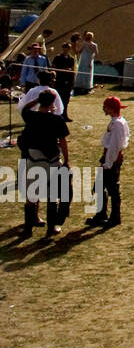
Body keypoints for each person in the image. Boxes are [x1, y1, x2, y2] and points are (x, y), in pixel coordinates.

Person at [19, 89, 70, 238]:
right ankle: (51, 228)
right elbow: (63, 141)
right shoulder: (56, 120)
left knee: (31, 195)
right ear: (53, 103)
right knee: (52, 195)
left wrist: (37, 100)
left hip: (33, 158)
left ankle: (28, 228)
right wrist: (67, 160)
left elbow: (25, 108)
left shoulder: (31, 116)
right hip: (51, 159)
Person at [87, 97, 130, 229]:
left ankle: (114, 216)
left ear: (111, 108)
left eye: (105, 106)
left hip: (111, 158)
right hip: (109, 157)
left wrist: (108, 162)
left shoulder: (117, 124)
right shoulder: (118, 122)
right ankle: (101, 214)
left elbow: (114, 145)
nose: (103, 109)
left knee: (112, 188)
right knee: (100, 186)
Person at [51, 43, 75, 120]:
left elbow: (72, 70)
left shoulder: (71, 59)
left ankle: (64, 115)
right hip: (59, 81)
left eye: (68, 48)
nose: (66, 49)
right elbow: (54, 68)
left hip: (67, 82)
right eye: (65, 48)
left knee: (66, 100)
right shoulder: (57, 58)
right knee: (58, 99)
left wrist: (72, 82)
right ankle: (57, 115)